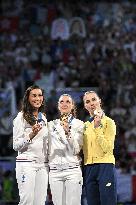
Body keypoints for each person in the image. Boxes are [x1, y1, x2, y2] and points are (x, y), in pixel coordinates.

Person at [13, 85, 48, 205]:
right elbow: (16, 145)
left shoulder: (42, 117)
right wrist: (30, 136)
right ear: (27, 98)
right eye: (34, 95)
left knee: (40, 202)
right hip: (26, 164)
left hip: (42, 165)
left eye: (40, 95)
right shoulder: (20, 117)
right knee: (27, 201)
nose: (37, 98)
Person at [48, 94, 84, 205]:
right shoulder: (50, 125)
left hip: (72, 170)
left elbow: (76, 149)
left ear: (72, 106)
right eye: (61, 102)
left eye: (68, 102)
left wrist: (68, 132)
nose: (64, 104)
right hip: (55, 171)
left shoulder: (79, 124)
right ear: (58, 106)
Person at [83, 91, 117, 205]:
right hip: (88, 168)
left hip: (105, 166)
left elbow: (107, 148)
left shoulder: (109, 122)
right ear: (85, 106)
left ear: (99, 101)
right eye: (88, 101)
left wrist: (97, 128)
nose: (91, 103)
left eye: (93, 99)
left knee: (108, 202)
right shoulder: (85, 126)